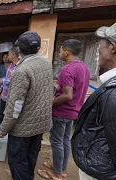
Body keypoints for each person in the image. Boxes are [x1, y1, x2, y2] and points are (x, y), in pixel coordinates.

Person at [0, 31, 53, 180]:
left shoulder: (22, 71)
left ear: (19, 50)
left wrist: (3, 129)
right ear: (38, 47)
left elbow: (15, 107)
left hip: (22, 130)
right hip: (39, 126)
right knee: (30, 160)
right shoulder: (47, 64)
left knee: (18, 163)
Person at [38, 39, 90, 180]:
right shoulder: (84, 68)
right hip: (74, 111)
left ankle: (56, 173)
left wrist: (49, 102)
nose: (59, 53)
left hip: (62, 112)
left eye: (60, 51)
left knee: (56, 141)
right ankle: (61, 167)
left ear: (66, 53)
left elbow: (67, 95)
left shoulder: (67, 69)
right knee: (65, 140)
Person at [72, 23, 116, 180]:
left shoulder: (113, 93)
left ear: (113, 48)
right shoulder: (109, 83)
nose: (98, 47)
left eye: (101, 42)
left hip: (101, 170)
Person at [0, 48, 20, 126]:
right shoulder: (10, 66)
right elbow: (7, 78)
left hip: (12, 97)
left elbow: (15, 80)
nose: (7, 56)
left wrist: (2, 80)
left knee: (10, 116)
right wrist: (0, 89)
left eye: (9, 55)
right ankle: (0, 131)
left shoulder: (20, 67)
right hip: (4, 96)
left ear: (13, 55)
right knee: (2, 114)